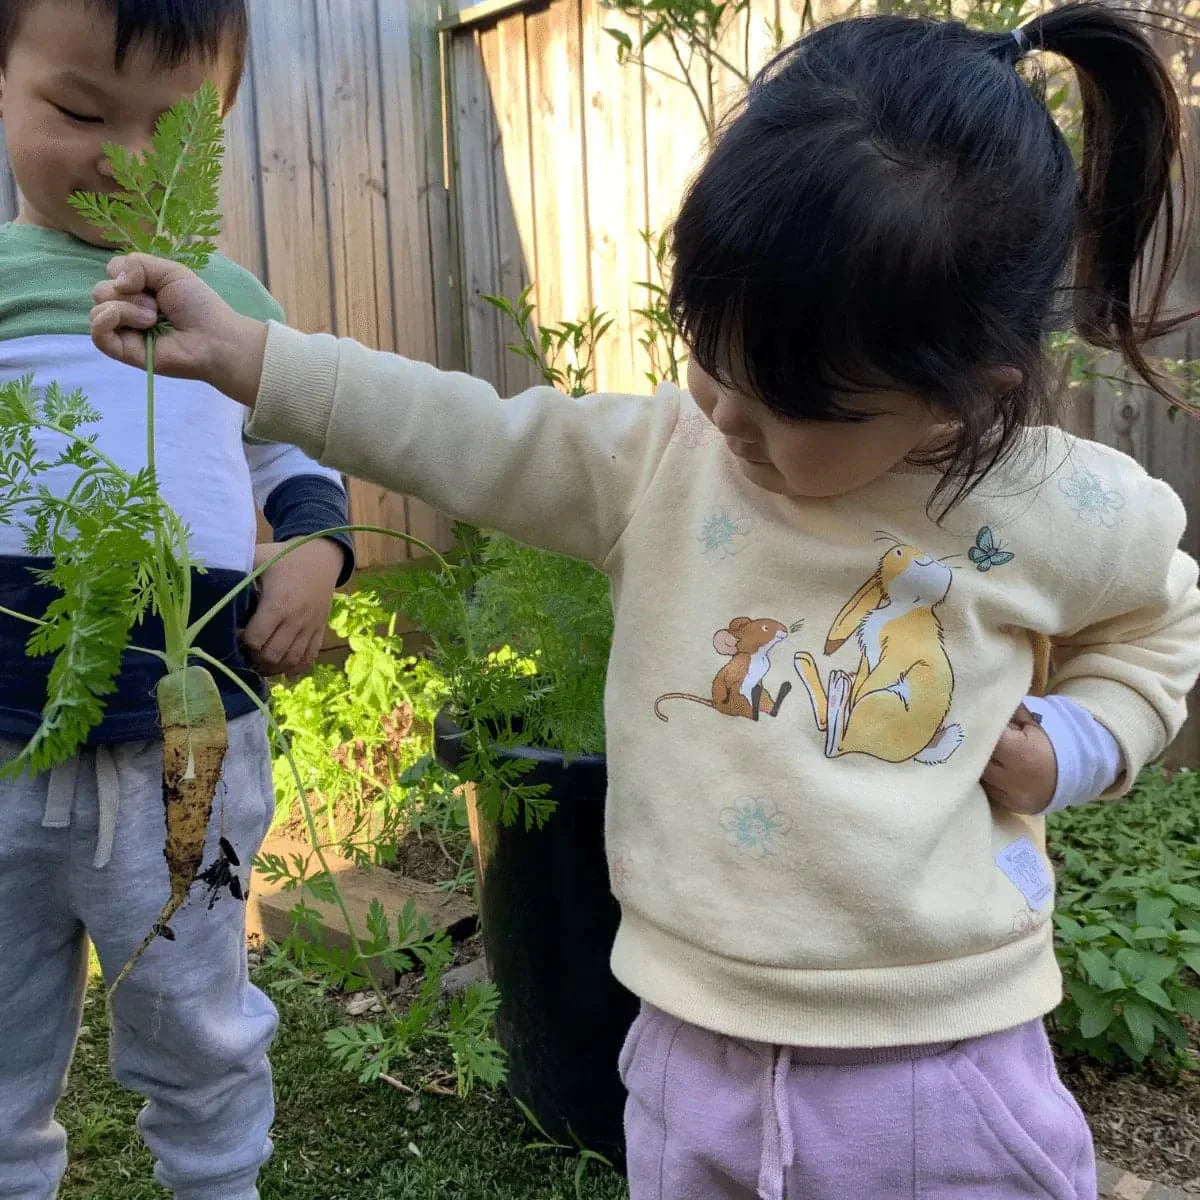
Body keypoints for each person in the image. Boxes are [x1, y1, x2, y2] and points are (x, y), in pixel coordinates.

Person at [91, 3, 1200, 1197]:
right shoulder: (666, 459)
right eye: (707, 355)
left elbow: (1158, 627)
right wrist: (259, 357)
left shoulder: (1064, 508)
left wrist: (1081, 743)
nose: (726, 418)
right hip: (688, 1044)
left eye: (785, 408)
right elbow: (462, 433)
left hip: (937, 1064)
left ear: (956, 399)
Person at [0, 1, 354, 1196]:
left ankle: (218, 1177)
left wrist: (317, 553)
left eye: (174, 128)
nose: (125, 157)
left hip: (188, 742)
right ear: (1, 85)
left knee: (198, 1021)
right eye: (79, 110)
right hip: (2, 752)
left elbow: (297, 451)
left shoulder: (225, 293)